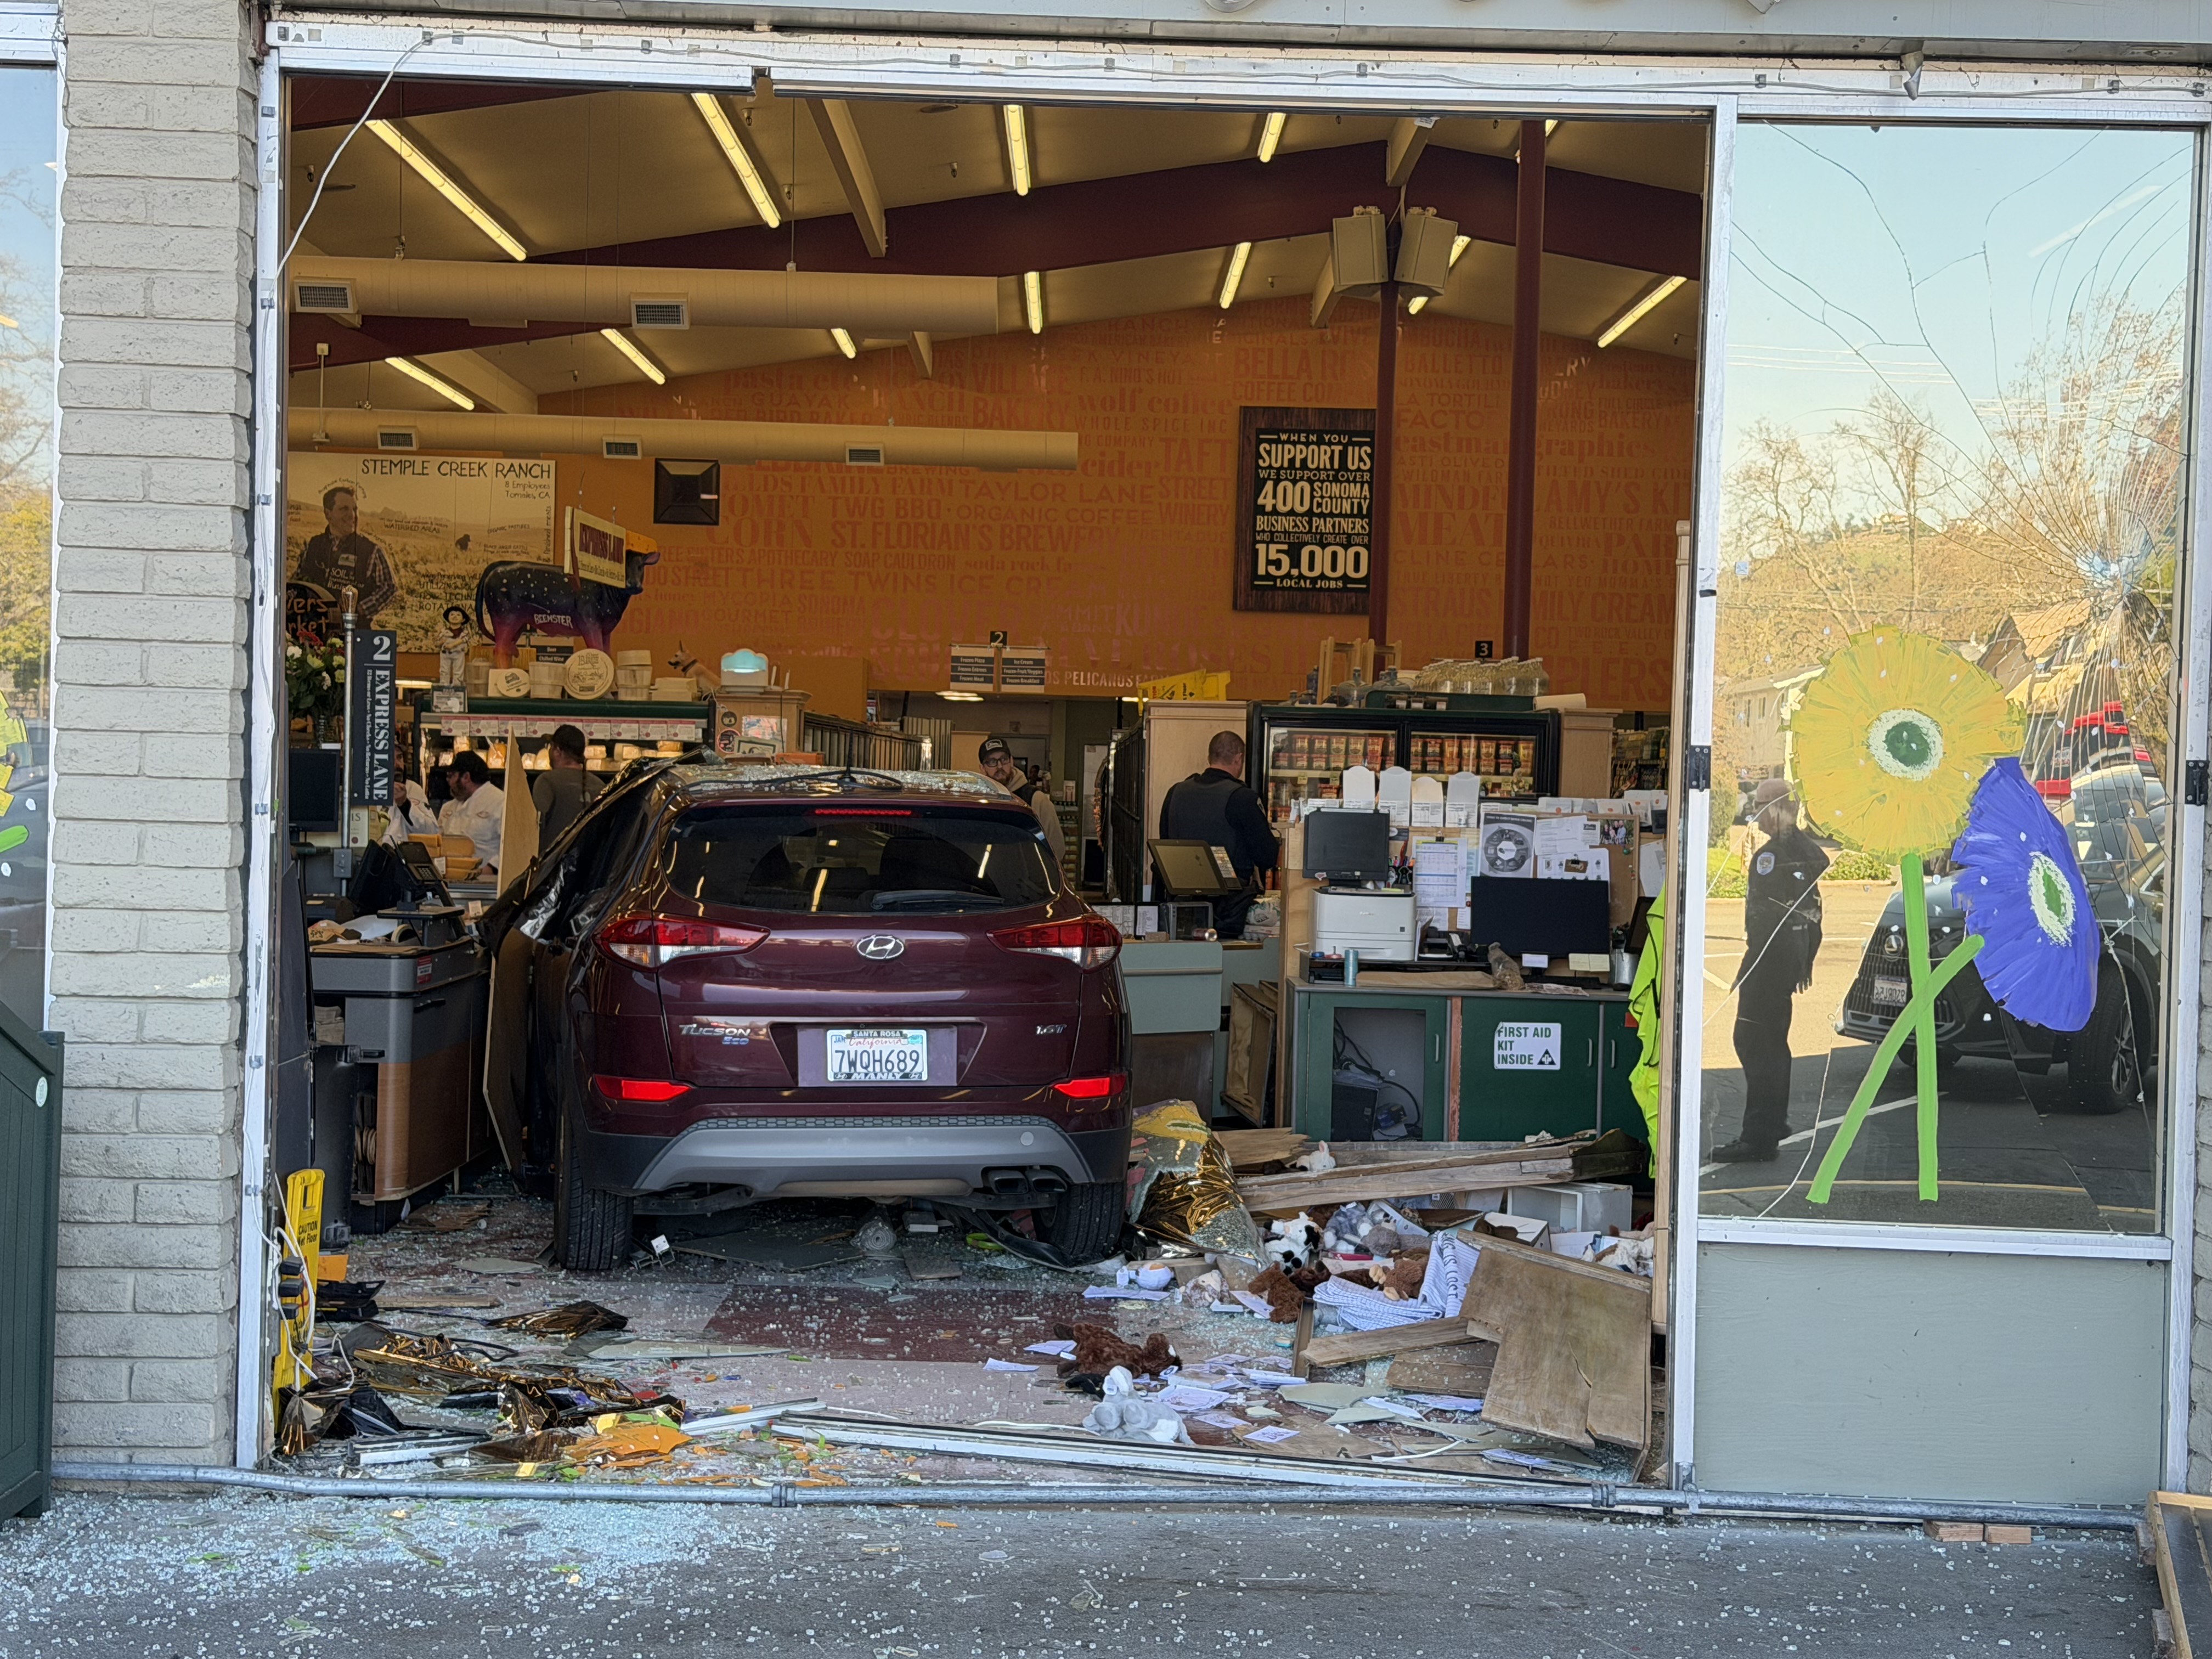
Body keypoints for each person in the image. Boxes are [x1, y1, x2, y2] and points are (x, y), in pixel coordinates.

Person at [1713, 776, 1829, 1162]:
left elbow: (1764, 919)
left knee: (1754, 1042)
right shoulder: (1806, 851)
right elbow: (1812, 913)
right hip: (1788, 958)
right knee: (1772, 1043)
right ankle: (1772, 1121)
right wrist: (1803, 960)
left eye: (1761, 807)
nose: (1755, 816)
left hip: (1767, 959)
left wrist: (1751, 967)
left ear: (1779, 807)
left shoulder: (1774, 856)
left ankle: (1758, 1135)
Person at [1159, 730, 1280, 940]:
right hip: (1229, 912)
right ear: (1239, 758)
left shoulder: (1176, 792)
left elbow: (1166, 844)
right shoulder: (1242, 798)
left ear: (1209, 757)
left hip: (1180, 908)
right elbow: (1266, 856)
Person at [294, 483, 398, 623]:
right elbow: (300, 581)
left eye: (355, 509)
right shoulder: (314, 545)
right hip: (315, 629)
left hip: (354, 631)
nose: (352, 515)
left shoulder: (371, 551)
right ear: (328, 514)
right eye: (344, 509)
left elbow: (389, 587)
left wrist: (358, 610)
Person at [978, 735, 1065, 867]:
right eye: (992, 762)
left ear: (1012, 761)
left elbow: (1057, 849)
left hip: (1028, 884)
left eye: (1004, 759)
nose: (1000, 766)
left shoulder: (1036, 799)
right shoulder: (980, 801)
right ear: (983, 768)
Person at [439, 749, 505, 881]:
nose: (448, 781)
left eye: (451, 776)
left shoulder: (501, 802)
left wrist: (489, 869)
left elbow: (511, 845)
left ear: (466, 777)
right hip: (450, 881)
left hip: (487, 884)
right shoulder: (448, 808)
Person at [532, 724, 602, 845]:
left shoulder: (547, 782)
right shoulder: (600, 786)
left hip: (553, 862)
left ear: (557, 751)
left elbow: (534, 828)